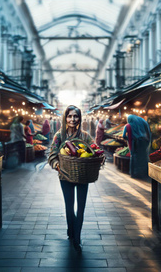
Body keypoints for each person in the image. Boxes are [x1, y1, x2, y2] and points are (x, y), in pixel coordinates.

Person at [48, 105, 94, 253]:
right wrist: (56, 165)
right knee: (69, 207)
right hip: (65, 176)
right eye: (70, 116)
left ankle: (77, 238)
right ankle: (71, 230)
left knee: (81, 209)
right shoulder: (59, 136)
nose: (72, 119)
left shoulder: (85, 136)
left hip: (83, 176)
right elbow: (52, 155)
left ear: (79, 118)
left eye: (75, 116)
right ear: (65, 118)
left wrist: (98, 156)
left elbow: (94, 150)